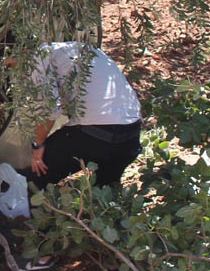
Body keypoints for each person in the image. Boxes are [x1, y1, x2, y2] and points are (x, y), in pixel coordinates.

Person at [23, 42, 143, 190]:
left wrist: (37, 145)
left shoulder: (41, 55)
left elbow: (49, 109)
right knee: (105, 191)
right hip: (131, 136)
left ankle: (23, 205)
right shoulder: (82, 48)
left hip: (97, 136)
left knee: (36, 174)